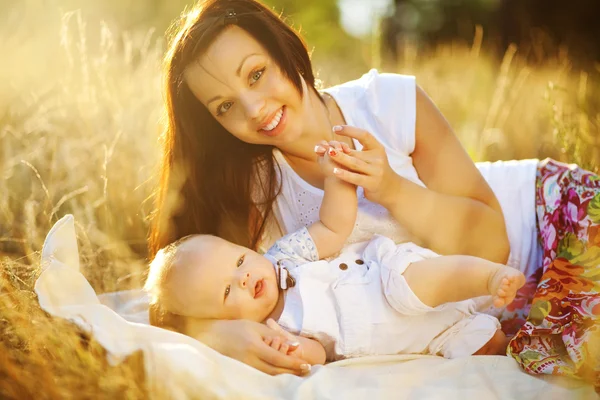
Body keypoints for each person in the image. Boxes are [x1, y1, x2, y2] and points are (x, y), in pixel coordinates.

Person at [149, 0, 600, 384]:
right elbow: (176, 289)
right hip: (487, 311)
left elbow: (493, 244)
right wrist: (218, 334)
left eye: (256, 74)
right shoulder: (252, 188)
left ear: (284, 46)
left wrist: (390, 188)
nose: (253, 108)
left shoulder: (388, 102)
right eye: (224, 106)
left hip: (549, 217)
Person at [145, 141, 525, 367]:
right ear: (220, 320)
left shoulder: (284, 256)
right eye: (227, 291)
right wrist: (291, 351)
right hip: (422, 337)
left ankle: (487, 277)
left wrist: (336, 179)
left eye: (239, 261)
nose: (243, 277)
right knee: (476, 346)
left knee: (424, 282)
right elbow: (316, 354)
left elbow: (332, 227)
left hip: (383, 282)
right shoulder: (270, 332)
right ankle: (516, 345)